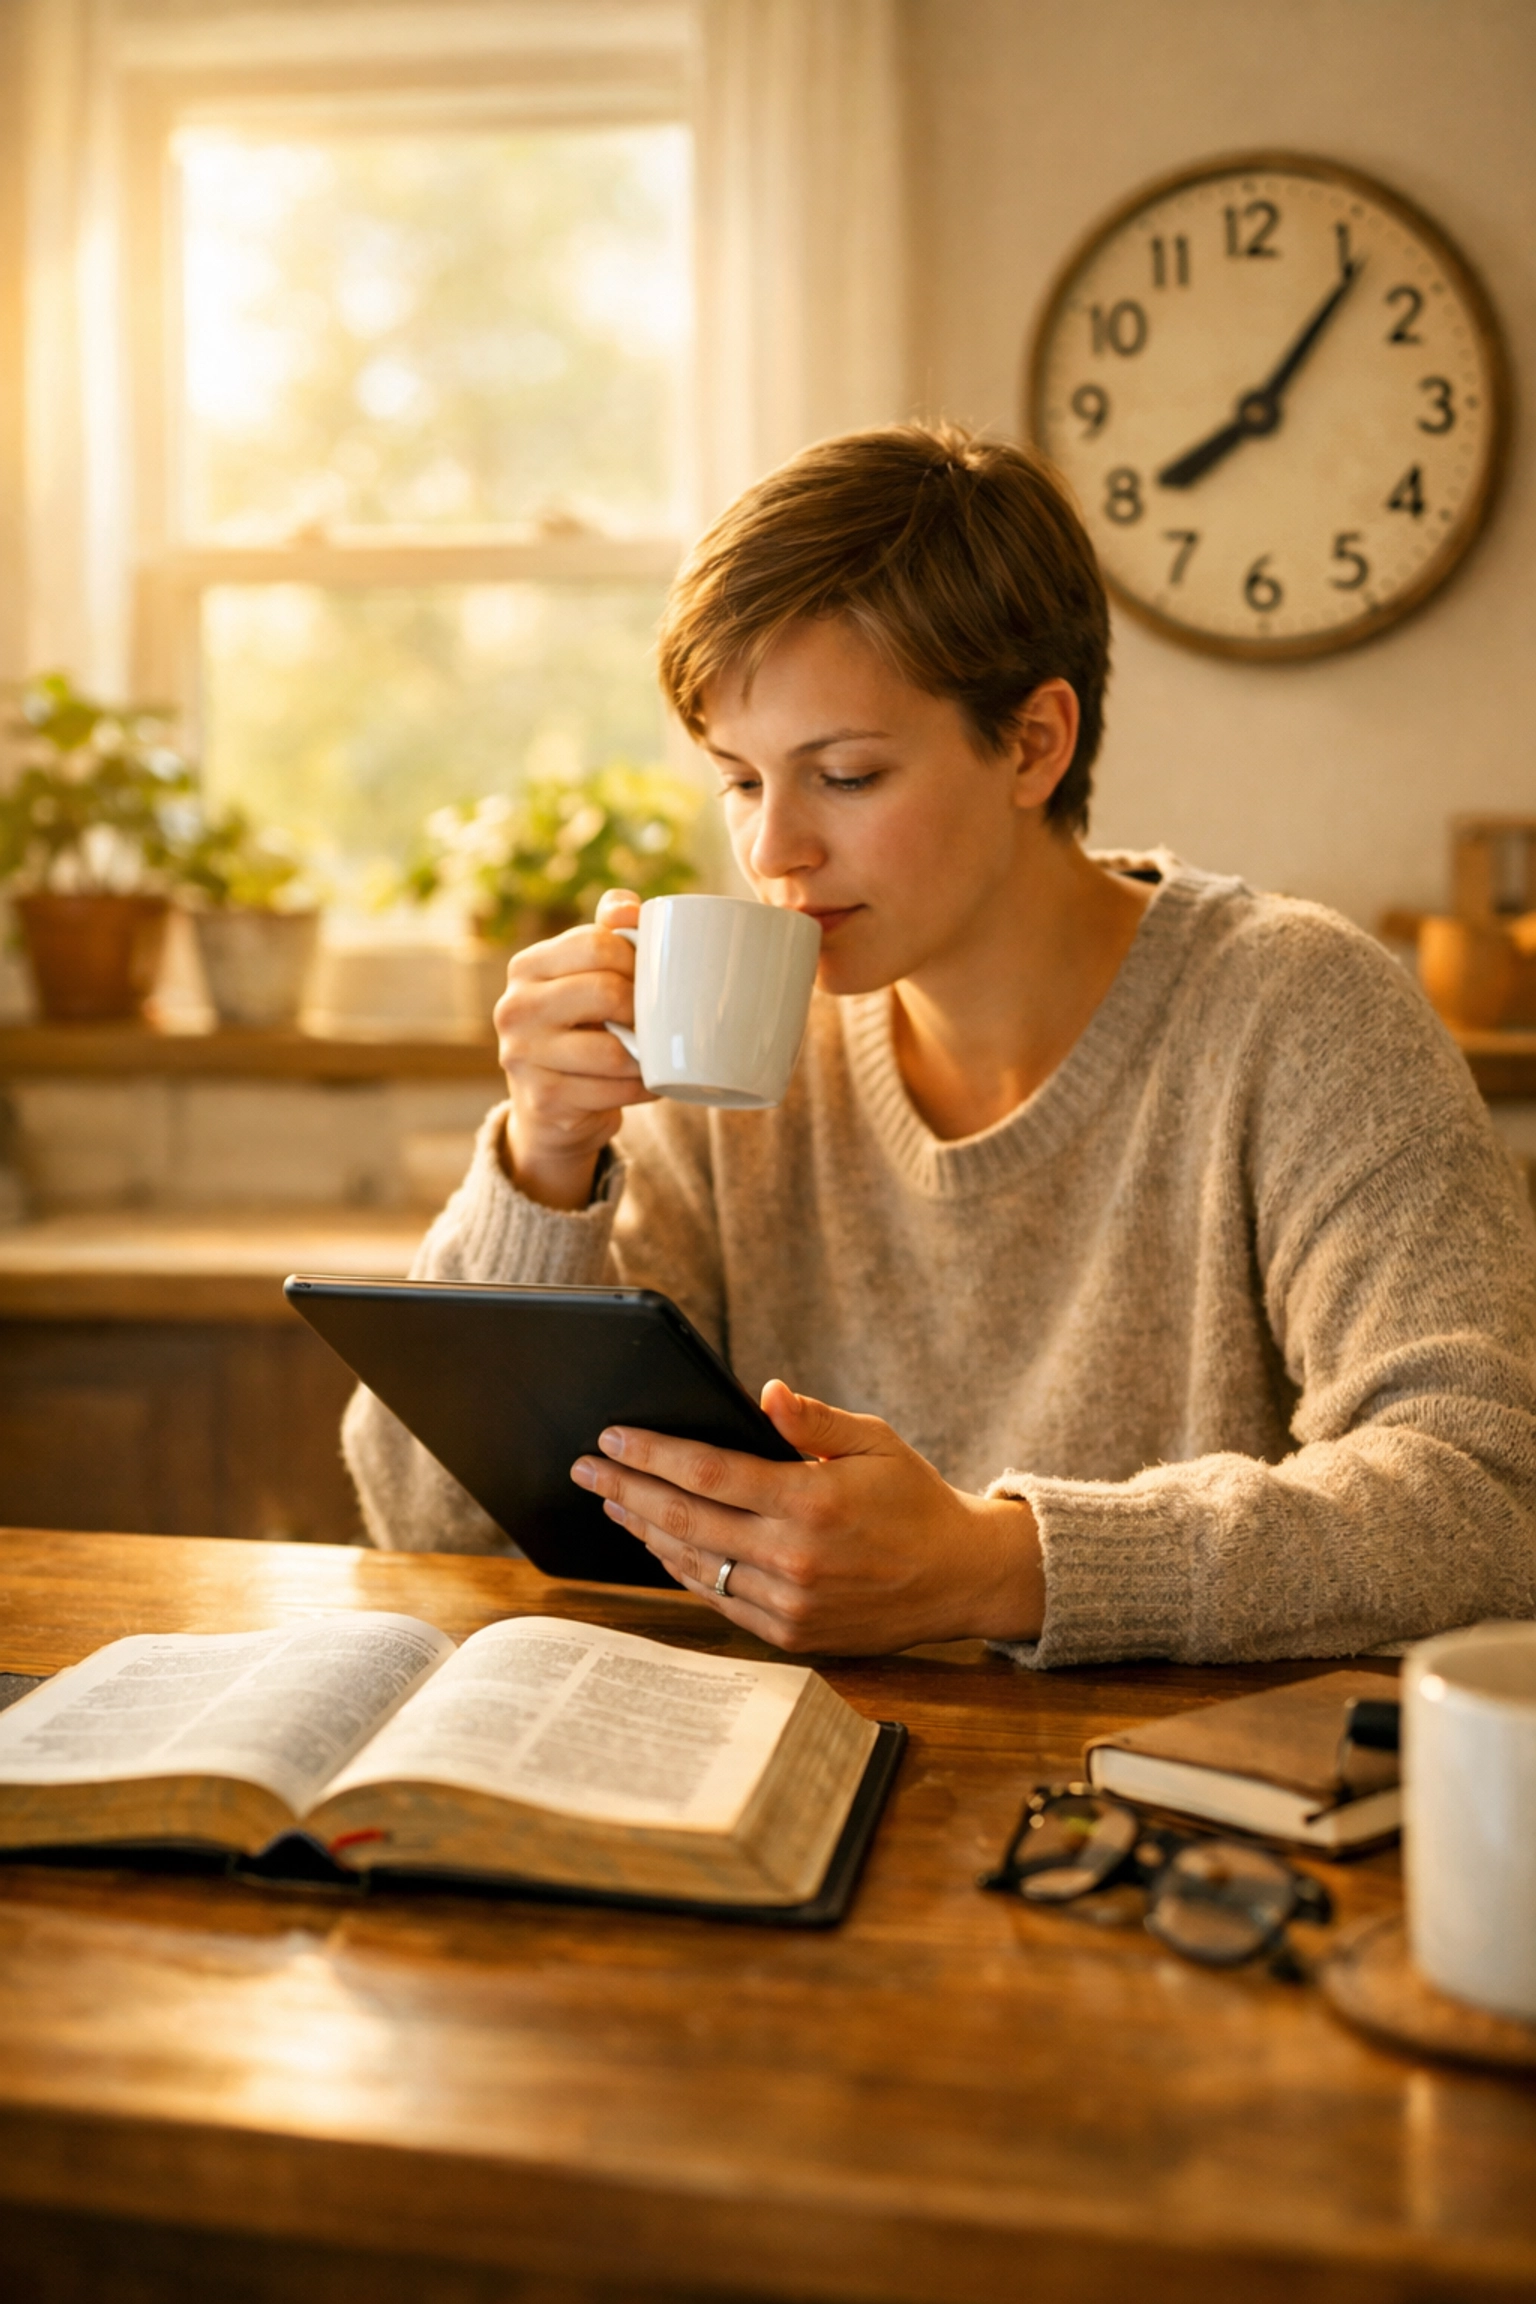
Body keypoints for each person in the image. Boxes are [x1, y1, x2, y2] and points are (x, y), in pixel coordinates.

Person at [343, 422, 1536, 1665]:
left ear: (1034, 742)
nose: (771, 853)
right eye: (742, 782)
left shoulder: (1296, 1011)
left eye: (846, 775)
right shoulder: (739, 1051)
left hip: (1174, 1811)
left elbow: (1488, 1499)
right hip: (801, 1776)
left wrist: (999, 1567)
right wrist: (545, 1166)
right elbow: (429, 1524)